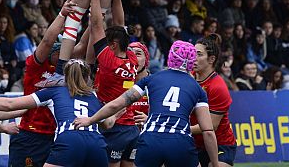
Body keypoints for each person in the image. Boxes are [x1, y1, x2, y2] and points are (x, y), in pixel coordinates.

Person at [73, 40, 219, 167]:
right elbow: (207, 131)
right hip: (180, 141)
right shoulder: (197, 89)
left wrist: (90, 120)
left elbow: (116, 104)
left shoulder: (152, 79)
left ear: (170, 57)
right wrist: (216, 164)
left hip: (151, 140)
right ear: (192, 61)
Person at [0, 58, 115, 167]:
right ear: (88, 77)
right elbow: (108, 123)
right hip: (97, 143)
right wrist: (120, 109)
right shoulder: (94, 96)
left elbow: (10, 104)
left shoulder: (54, 90)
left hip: (70, 138)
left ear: (65, 76)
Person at [5, 0, 77, 167]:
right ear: (53, 52)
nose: (66, 55)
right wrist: (62, 14)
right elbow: (46, 41)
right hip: (31, 136)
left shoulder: (66, 69)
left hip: (55, 136)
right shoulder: (34, 65)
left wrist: (94, 19)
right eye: (61, 51)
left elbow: (82, 48)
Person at [84, 0, 139, 167]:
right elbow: (120, 23)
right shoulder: (132, 58)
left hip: (114, 127)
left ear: (113, 45)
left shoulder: (108, 60)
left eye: (108, 43)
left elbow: (96, 23)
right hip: (131, 128)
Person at [191, 35, 237, 167]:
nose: (193, 58)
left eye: (198, 54)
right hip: (193, 143)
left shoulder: (218, 86)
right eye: (193, 53)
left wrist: (180, 128)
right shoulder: (188, 78)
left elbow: (210, 126)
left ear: (211, 59)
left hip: (221, 144)